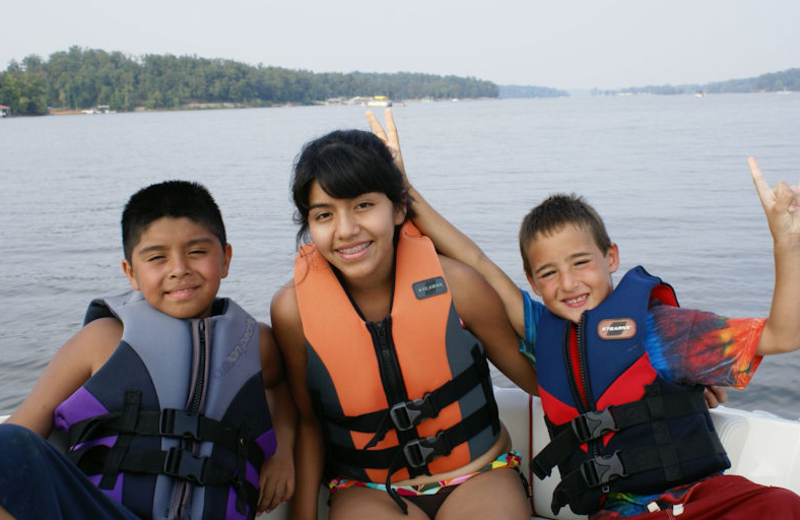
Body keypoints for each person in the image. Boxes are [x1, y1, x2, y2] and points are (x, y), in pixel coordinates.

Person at [367, 108, 800, 520]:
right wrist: (404, 190)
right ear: (532, 282)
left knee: (782, 505)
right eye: (549, 273)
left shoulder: (665, 331)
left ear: (611, 256)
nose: (569, 283)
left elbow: (783, 335)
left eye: (581, 262)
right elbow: (478, 263)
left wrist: (786, 243)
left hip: (704, 502)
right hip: (615, 512)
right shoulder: (542, 331)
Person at [270, 128, 538, 520]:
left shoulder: (457, 285)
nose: (345, 230)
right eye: (324, 214)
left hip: (479, 474)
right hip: (366, 490)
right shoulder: (293, 310)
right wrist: (303, 515)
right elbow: (308, 420)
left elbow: (535, 379)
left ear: (398, 209)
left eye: (363, 205)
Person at [0, 181, 295, 520]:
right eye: (157, 257)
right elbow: (22, 434)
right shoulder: (101, 340)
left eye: (197, 252)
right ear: (131, 273)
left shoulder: (256, 344)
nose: (179, 269)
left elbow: (283, 390)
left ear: (225, 259)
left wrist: (283, 452)